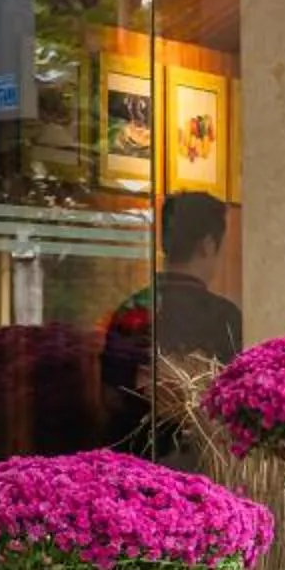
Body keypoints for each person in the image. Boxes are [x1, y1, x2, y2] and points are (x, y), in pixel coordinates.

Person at [100, 192, 242, 447]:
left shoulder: (131, 310)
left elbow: (110, 396)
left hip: (132, 457)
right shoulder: (224, 318)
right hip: (201, 461)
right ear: (208, 245)